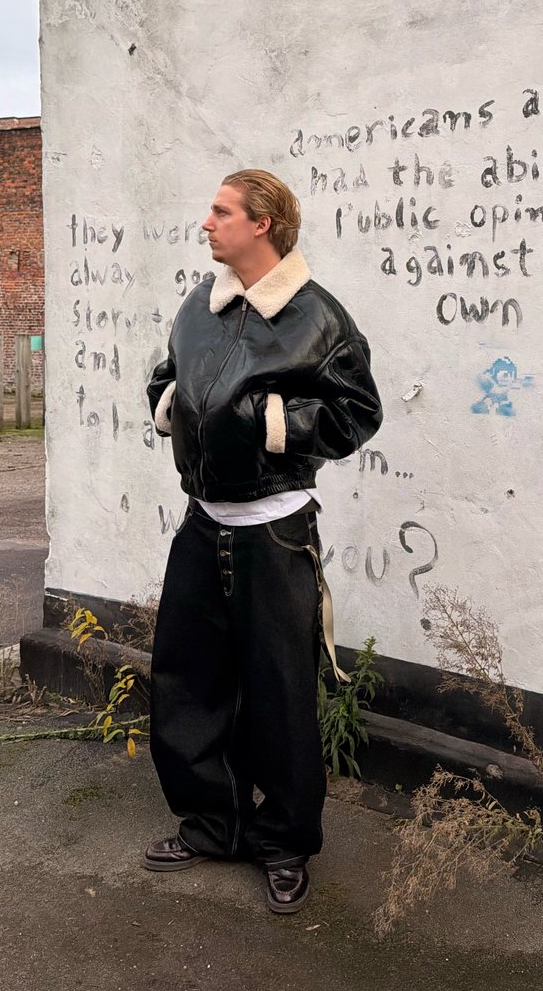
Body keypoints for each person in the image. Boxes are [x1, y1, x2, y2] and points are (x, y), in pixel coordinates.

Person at [144, 169, 382, 913]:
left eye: (221, 211)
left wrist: (271, 423)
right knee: (186, 681)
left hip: (275, 532)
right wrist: (170, 409)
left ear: (263, 224)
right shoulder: (199, 306)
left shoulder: (318, 318)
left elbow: (357, 412)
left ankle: (282, 841)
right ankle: (211, 822)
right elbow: (167, 374)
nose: (206, 222)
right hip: (201, 522)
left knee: (280, 695)